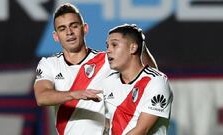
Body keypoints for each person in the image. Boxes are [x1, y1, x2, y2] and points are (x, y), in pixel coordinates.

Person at [34, 3, 157, 135]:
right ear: (56, 36)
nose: (69, 32)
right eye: (62, 29)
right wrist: (75, 94)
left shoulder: (107, 59)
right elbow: (42, 97)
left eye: (74, 26)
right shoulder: (49, 64)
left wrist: (140, 44)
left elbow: (150, 76)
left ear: (85, 28)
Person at [103, 24, 173, 135]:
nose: (108, 50)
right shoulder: (108, 81)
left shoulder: (157, 81)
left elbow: (142, 130)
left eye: (114, 45)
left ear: (133, 48)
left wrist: (142, 46)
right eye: (107, 46)